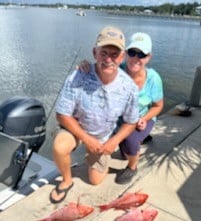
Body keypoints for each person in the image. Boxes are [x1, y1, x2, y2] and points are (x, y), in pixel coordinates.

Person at [49, 26, 139, 203]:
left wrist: (113, 142)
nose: (108, 59)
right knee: (59, 147)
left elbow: (131, 122)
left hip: (103, 137)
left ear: (122, 57)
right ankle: (66, 181)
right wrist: (87, 139)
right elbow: (62, 115)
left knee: (95, 181)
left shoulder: (129, 87)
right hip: (76, 128)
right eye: (103, 53)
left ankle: (94, 159)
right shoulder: (78, 75)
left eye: (114, 54)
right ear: (94, 52)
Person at [77, 32, 164, 185]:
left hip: (140, 118)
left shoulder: (153, 78)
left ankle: (132, 166)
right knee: (123, 152)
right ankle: (138, 141)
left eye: (142, 54)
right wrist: (84, 66)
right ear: (125, 54)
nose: (136, 58)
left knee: (130, 140)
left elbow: (158, 106)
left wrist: (144, 118)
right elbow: (99, 66)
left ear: (149, 57)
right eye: (132, 52)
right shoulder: (116, 69)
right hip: (116, 119)